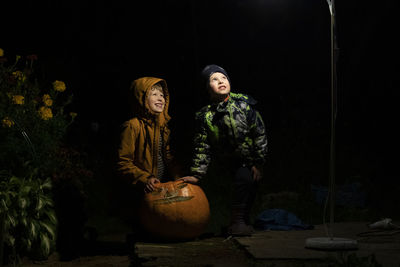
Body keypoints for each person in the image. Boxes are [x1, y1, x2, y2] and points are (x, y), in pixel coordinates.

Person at [181, 64, 268, 236]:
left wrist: (258, 162)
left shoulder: (243, 106)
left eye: (223, 78)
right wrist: (197, 174)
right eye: (214, 79)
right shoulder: (206, 116)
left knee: (250, 184)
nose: (221, 81)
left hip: (248, 159)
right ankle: (236, 223)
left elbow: (259, 133)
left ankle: (241, 221)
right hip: (225, 162)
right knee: (242, 182)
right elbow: (202, 147)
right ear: (208, 88)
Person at [117, 77, 181, 232]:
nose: (160, 98)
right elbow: (123, 162)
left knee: (163, 226)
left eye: (162, 95)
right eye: (153, 94)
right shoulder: (132, 126)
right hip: (141, 188)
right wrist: (144, 178)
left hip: (161, 187)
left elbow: (168, 156)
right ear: (141, 98)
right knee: (141, 227)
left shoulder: (163, 128)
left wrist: (178, 176)